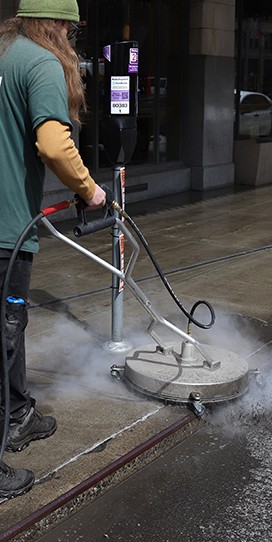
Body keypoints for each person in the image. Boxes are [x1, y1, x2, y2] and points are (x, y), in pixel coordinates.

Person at [0, 0, 106, 499]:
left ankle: (18, 414)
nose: (72, 39)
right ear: (58, 25)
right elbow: (54, 145)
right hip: (5, 231)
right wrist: (90, 190)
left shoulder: (6, 54)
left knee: (10, 325)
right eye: (71, 29)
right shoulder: (42, 61)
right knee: (3, 333)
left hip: (6, 224)